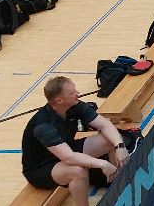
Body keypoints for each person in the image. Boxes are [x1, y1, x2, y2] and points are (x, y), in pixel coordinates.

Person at [22, 77, 129, 205]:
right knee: (78, 171)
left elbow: (104, 125)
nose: (77, 93)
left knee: (110, 140)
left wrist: (120, 146)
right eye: (72, 92)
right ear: (59, 100)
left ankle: (118, 184)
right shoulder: (43, 125)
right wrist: (102, 164)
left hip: (66, 148)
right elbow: (68, 158)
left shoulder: (74, 105)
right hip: (42, 167)